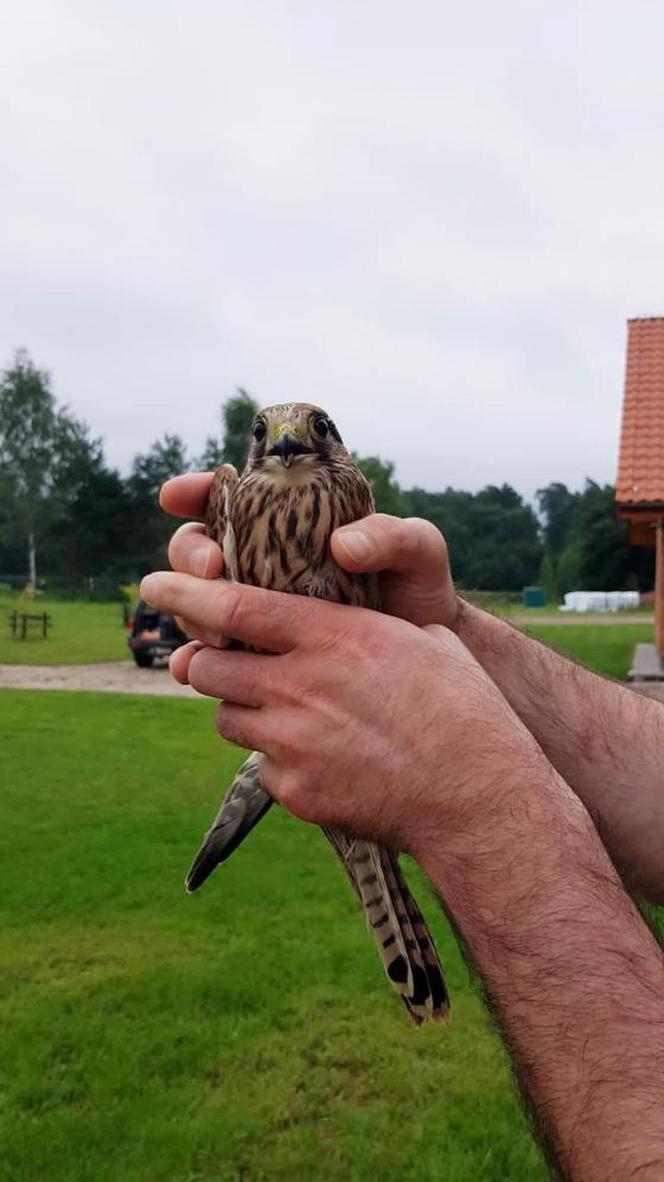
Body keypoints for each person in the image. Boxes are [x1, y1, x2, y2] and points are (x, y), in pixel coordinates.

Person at [140, 473, 664, 1182]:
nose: (290, 446)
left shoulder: (342, 485)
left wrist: (472, 796)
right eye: (272, 437)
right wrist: (441, 632)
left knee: (377, 880)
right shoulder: (240, 494)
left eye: (311, 431)